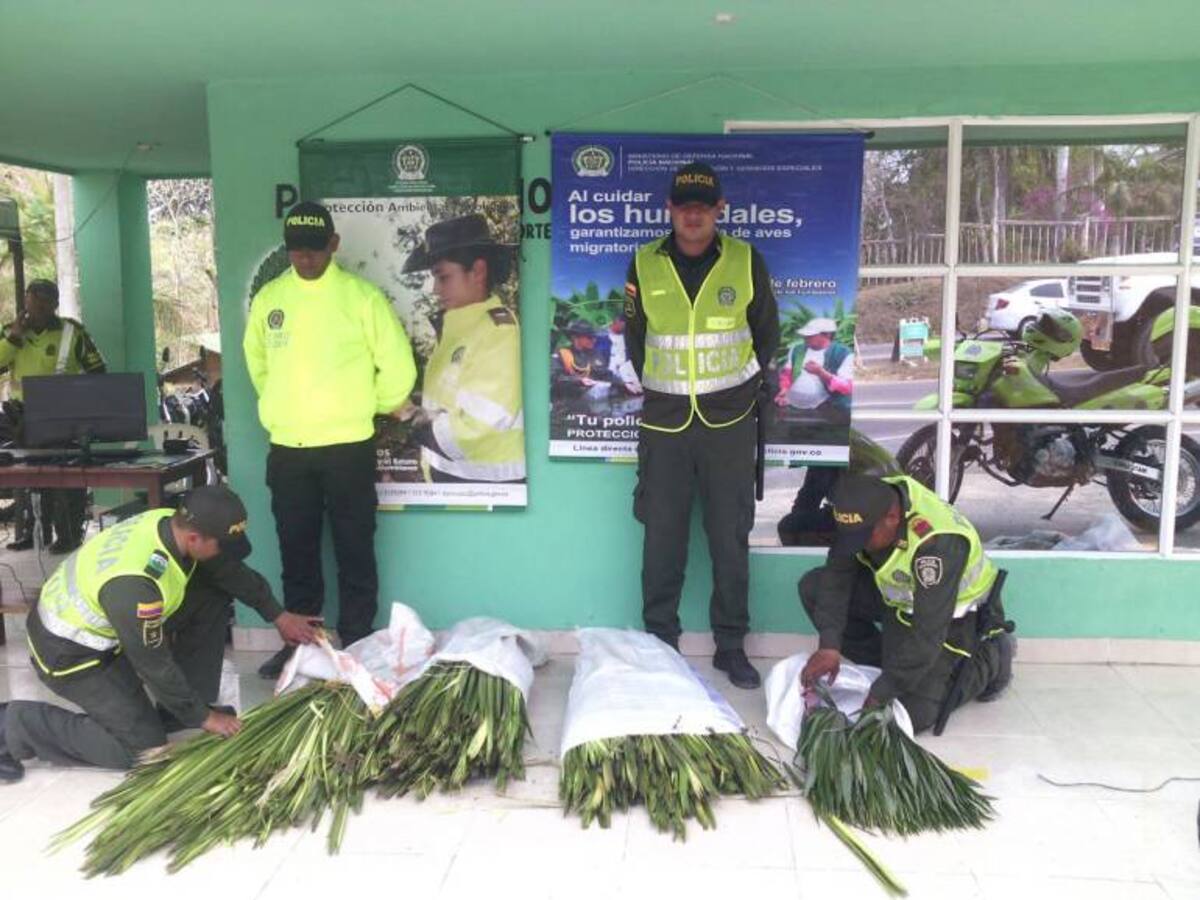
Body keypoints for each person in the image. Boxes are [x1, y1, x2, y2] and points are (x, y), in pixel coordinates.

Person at [0, 486, 322, 782]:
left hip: (112, 627)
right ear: (195, 538)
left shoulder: (171, 524)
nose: (224, 552)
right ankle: (14, 724)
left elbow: (228, 571)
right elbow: (153, 663)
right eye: (221, 545)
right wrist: (203, 717)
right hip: (71, 652)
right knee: (142, 750)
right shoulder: (135, 586)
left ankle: (176, 711)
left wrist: (278, 615)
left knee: (212, 591)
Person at [244, 202, 417, 679]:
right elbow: (259, 367)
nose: (305, 258)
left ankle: (358, 641)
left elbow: (399, 366)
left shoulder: (361, 298)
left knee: (354, 546)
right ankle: (304, 645)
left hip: (348, 446)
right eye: (297, 250)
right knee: (296, 551)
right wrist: (286, 405)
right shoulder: (270, 300)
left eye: (315, 249)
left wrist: (368, 406)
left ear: (333, 245)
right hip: (289, 448)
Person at [624, 161, 779, 689]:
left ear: (719, 210)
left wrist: (741, 391)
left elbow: (767, 336)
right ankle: (659, 642)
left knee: (729, 538)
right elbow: (635, 338)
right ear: (670, 209)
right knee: (661, 538)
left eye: (702, 205)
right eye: (683, 205)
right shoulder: (644, 262)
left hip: (729, 423)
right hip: (665, 424)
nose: (692, 215)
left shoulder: (744, 260)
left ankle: (731, 646)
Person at [797, 473, 1016, 734]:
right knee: (814, 588)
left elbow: (927, 633)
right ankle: (894, 667)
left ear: (892, 518)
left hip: (954, 620)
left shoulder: (935, 545)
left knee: (910, 715)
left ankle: (994, 658)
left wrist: (881, 692)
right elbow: (837, 577)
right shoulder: (865, 505)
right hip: (901, 601)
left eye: (865, 536)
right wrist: (829, 646)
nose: (857, 545)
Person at [400, 214, 524, 484]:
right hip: (454, 475)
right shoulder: (460, 327)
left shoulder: (498, 332)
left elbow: (477, 425)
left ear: (478, 271)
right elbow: (452, 397)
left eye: (443, 277)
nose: (434, 289)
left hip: (485, 485)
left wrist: (415, 421)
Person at [0, 279, 107, 553]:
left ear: (55, 305)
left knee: (66, 476)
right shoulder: (9, 333)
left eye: (45, 304)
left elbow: (98, 372)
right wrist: (13, 337)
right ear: (25, 302)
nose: (38, 310)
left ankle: (68, 535)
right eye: (33, 304)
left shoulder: (73, 332)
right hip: (22, 417)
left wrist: (82, 403)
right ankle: (33, 533)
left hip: (64, 414)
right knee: (29, 476)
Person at [776, 429, 899, 546]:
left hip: (872, 517)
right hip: (885, 506)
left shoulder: (825, 447)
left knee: (790, 527)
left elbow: (810, 496)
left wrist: (796, 523)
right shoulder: (835, 434)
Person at [774, 317, 853, 423]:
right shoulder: (797, 350)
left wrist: (821, 373)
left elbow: (847, 387)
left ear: (827, 335)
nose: (805, 338)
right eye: (805, 335)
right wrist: (784, 389)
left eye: (810, 335)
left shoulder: (843, 354)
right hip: (792, 405)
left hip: (826, 408)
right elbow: (787, 373)